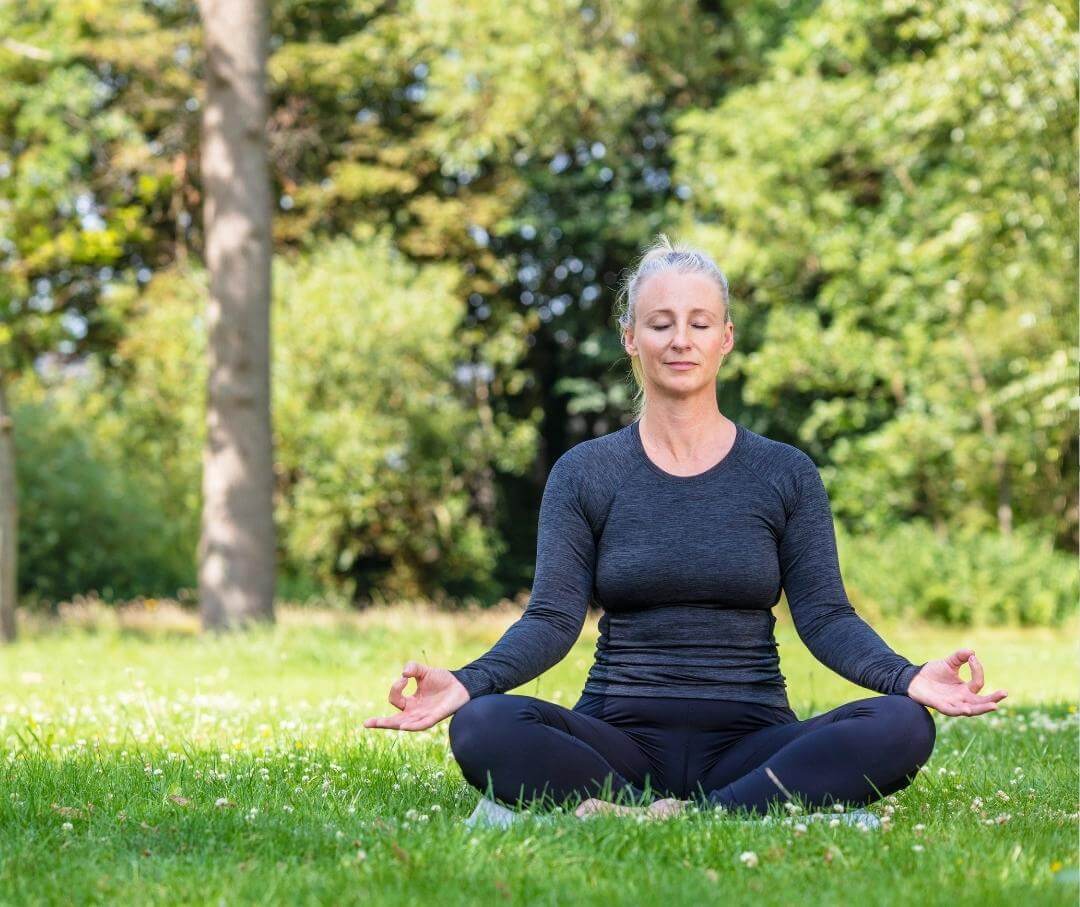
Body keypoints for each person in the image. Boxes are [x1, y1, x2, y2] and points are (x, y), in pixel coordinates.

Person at [363, 234, 1008, 824]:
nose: (681, 340)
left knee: (902, 726)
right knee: (482, 727)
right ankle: (707, 811)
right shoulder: (585, 473)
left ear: (725, 337)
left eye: (700, 323)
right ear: (630, 337)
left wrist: (906, 677)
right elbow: (552, 619)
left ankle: (686, 814)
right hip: (616, 739)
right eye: (661, 323)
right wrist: (470, 681)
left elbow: (826, 617)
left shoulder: (785, 473)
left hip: (751, 741)